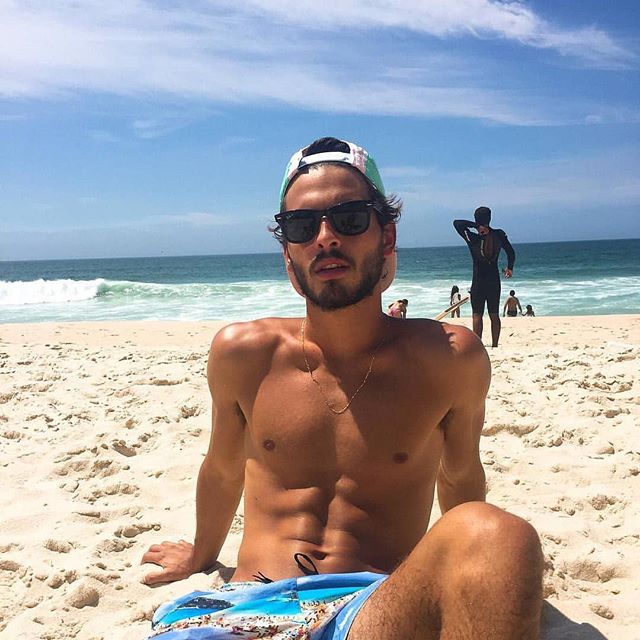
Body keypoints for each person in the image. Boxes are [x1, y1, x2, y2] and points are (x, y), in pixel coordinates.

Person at [142, 137, 542, 639]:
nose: (325, 238)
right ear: (288, 255)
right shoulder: (243, 354)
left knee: (500, 536)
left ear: (386, 236)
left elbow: (461, 477)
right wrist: (201, 554)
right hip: (245, 610)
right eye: (302, 226)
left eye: (349, 218)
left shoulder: (448, 359)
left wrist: (474, 578)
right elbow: (223, 469)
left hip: (372, 611)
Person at [453, 207, 515, 347]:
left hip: (478, 280)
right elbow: (511, 252)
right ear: (490, 218)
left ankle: (478, 346)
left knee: (477, 315)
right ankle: (495, 345)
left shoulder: (472, 237)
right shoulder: (499, 235)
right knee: (494, 314)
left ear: (476, 219)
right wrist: (510, 268)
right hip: (494, 280)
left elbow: (457, 223)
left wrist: (476, 226)